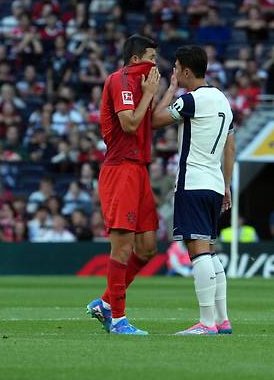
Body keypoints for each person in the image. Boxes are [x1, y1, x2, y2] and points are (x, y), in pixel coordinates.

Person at [151, 45, 235, 336]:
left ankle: (206, 323)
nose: (174, 72)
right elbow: (230, 146)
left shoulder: (191, 100)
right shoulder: (223, 100)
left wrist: (170, 89)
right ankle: (223, 320)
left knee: (198, 253)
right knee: (210, 251)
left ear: (186, 71)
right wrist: (226, 185)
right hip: (213, 183)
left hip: (193, 182)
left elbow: (154, 121)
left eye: (175, 68)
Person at [86, 35, 162, 335]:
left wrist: (167, 95)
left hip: (139, 170)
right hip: (120, 171)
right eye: (151, 58)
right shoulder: (120, 81)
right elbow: (130, 123)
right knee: (122, 248)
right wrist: (150, 94)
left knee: (147, 249)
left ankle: (105, 303)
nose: (155, 64)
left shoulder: (143, 86)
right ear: (135, 60)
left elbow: (150, 121)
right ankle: (118, 319)